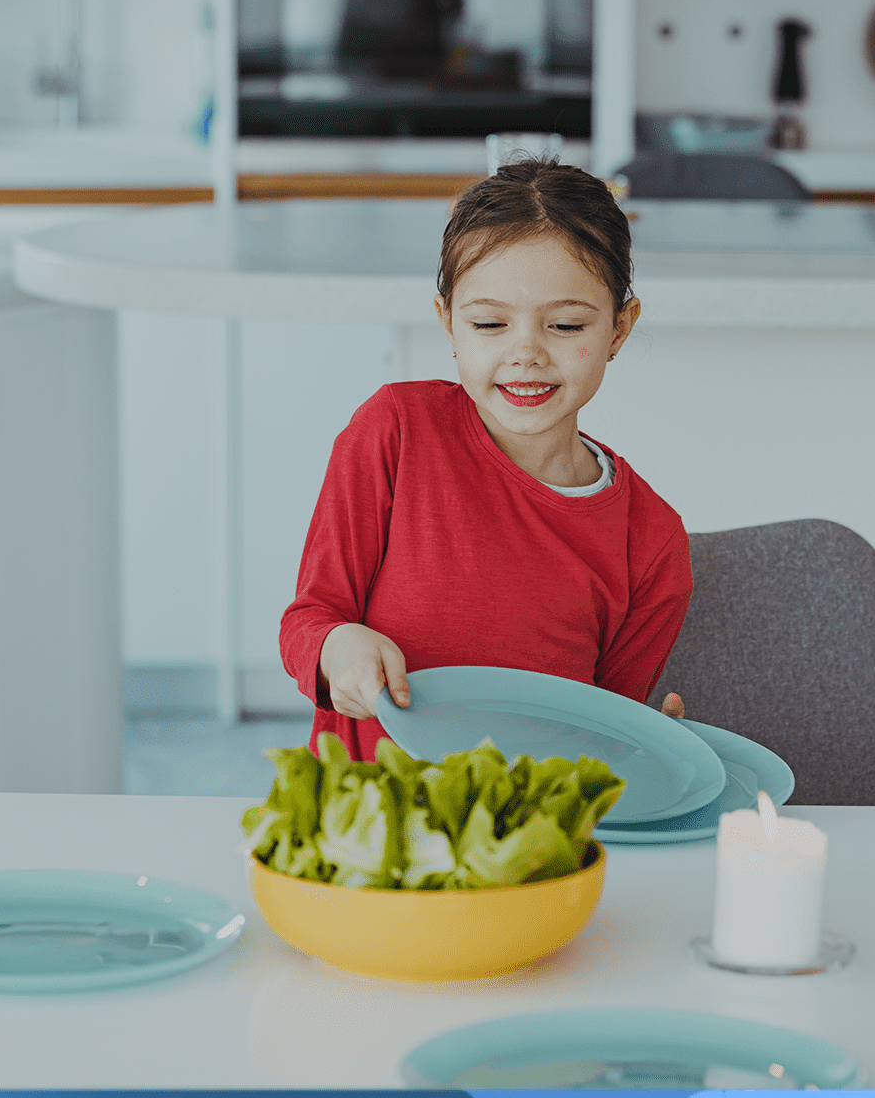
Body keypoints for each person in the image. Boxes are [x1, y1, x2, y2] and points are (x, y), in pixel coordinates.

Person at [279, 158, 692, 761]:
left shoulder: (652, 542)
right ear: (449, 322)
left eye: (566, 324)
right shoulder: (394, 430)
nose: (525, 353)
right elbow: (310, 618)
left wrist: (646, 747)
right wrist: (337, 647)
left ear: (618, 330)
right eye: (490, 323)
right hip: (368, 816)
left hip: (525, 836)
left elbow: (603, 740)